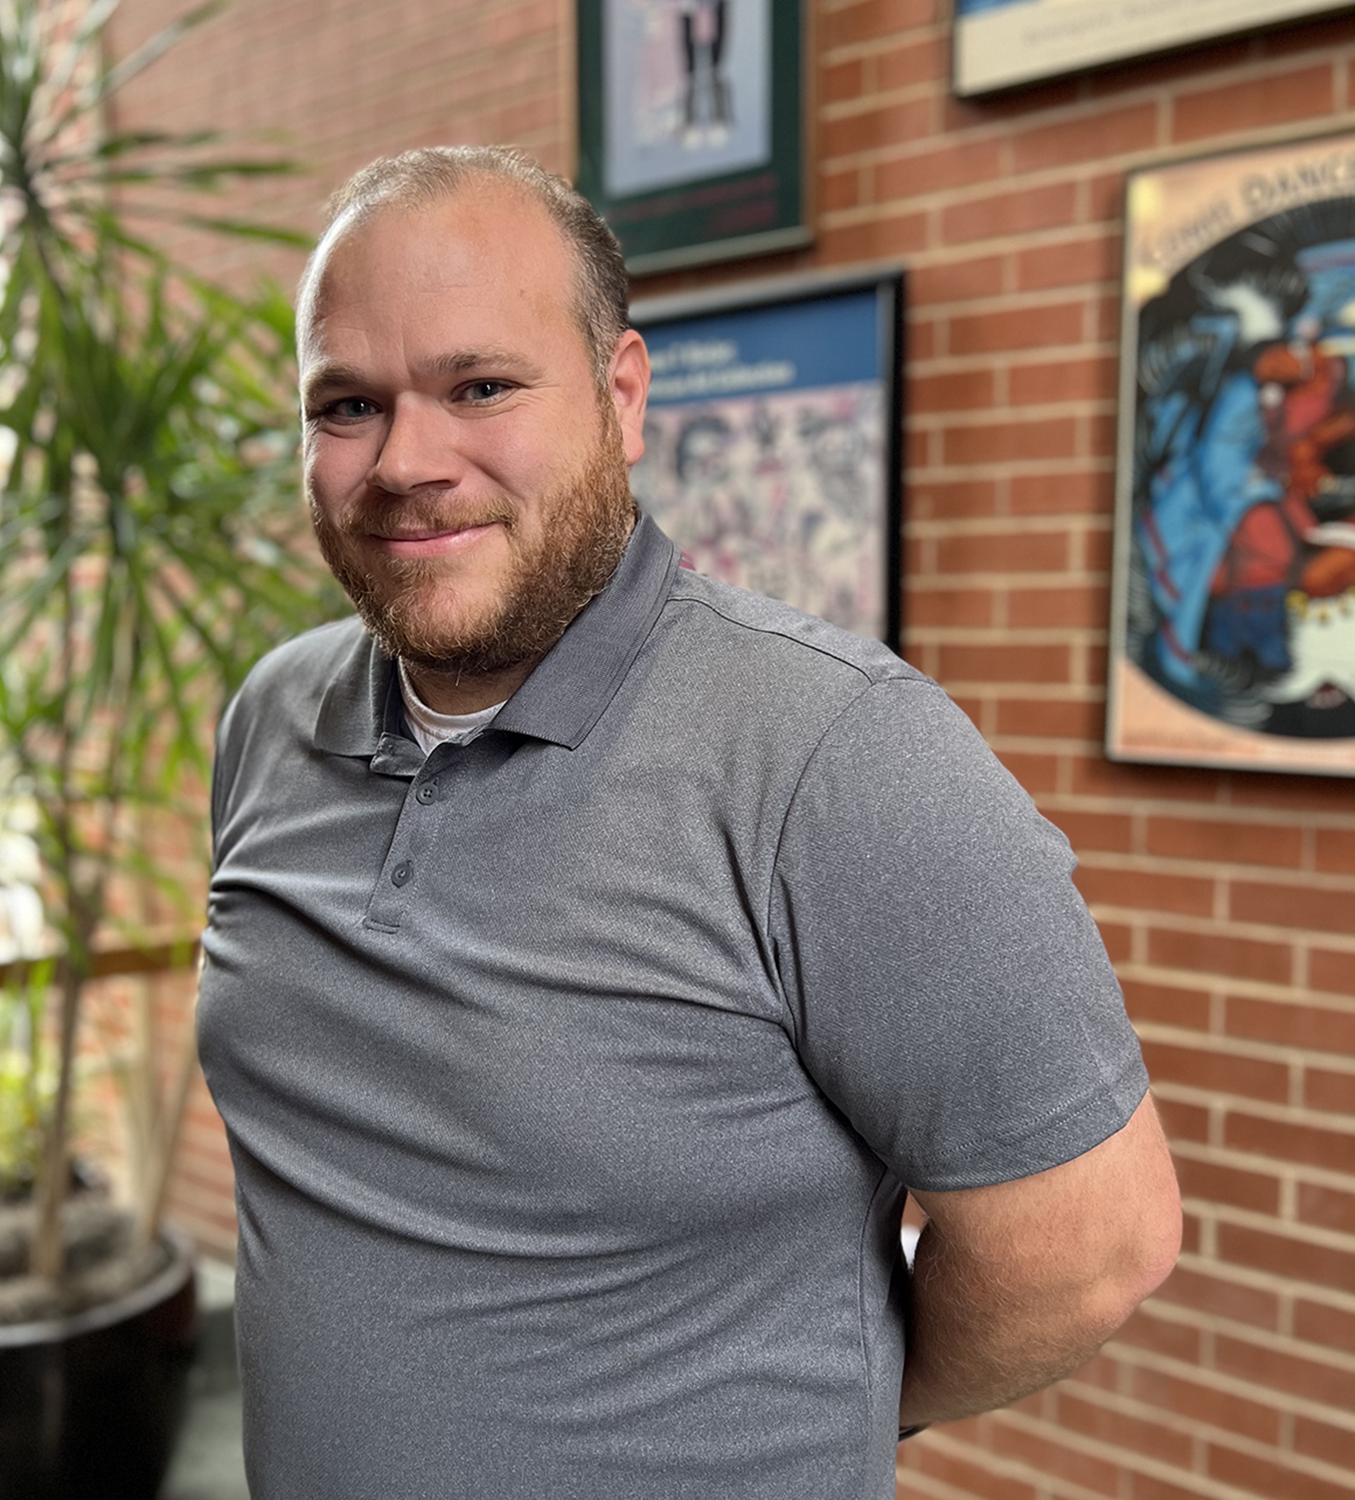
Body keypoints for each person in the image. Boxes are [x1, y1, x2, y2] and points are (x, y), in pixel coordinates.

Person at [197, 145, 1181, 1500]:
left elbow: (1089, 1246)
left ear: (622, 395)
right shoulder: (268, 722)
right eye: (348, 404)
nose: (406, 462)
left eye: (480, 386)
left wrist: (807, 1426)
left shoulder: (840, 755)